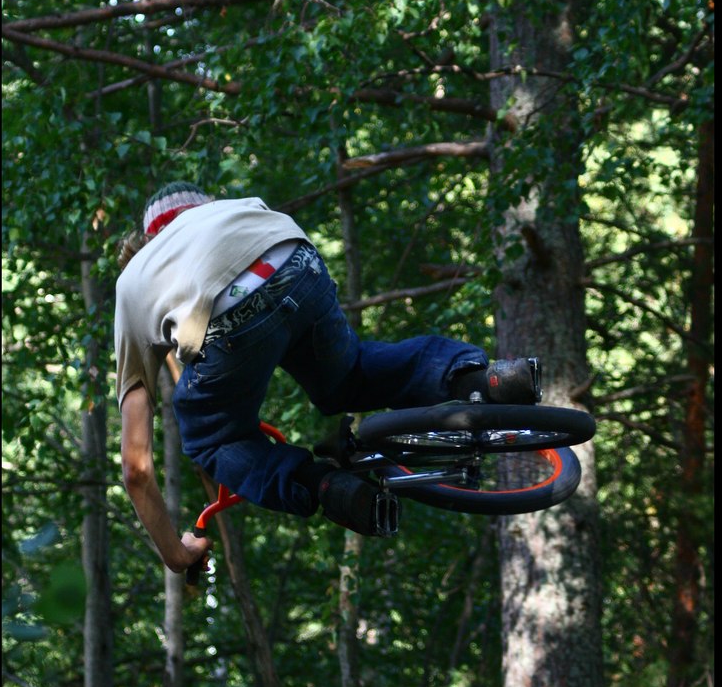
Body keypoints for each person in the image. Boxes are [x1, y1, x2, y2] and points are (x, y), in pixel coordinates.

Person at [115, 182, 539, 575]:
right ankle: (485, 378)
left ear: (149, 241)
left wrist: (177, 554)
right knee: (349, 374)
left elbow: (136, 470)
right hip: (293, 259)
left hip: (227, 317)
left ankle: (327, 488)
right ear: (202, 209)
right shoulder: (232, 210)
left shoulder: (135, 279)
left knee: (212, 440)